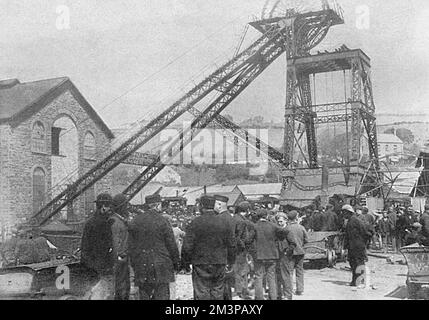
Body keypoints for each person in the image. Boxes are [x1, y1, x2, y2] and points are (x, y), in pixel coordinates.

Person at [182, 195, 236, 300]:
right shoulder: (224, 223)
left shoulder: (195, 223)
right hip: (219, 262)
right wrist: (231, 261)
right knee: (217, 292)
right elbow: (231, 244)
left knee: (201, 292)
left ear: (202, 206)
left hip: (200, 263)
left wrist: (186, 263)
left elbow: (187, 246)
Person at [128, 194, 180, 300]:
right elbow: (171, 245)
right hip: (161, 265)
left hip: (142, 264)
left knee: (144, 295)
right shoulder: (163, 221)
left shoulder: (135, 221)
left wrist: (134, 263)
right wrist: (176, 263)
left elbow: (131, 246)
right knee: (162, 295)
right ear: (157, 206)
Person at [249, 209, 296, 300]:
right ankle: (273, 297)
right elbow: (285, 232)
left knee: (258, 277)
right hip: (272, 256)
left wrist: (253, 252)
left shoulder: (254, 227)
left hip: (259, 256)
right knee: (271, 277)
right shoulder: (273, 226)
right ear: (266, 216)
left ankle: (259, 298)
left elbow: (248, 241)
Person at [81, 193, 115, 300]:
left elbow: (85, 246)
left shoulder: (90, 222)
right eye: (109, 206)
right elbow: (106, 247)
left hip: (90, 266)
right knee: (102, 295)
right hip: (101, 268)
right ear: (103, 207)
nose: (111, 209)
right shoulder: (104, 224)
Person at [343, 205, 373, 287]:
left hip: (357, 246)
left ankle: (359, 280)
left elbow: (365, 232)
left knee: (358, 263)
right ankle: (355, 280)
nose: (343, 214)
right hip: (352, 246)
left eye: (344, 212)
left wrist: (363, 243)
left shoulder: (355, 220)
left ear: (348, 212)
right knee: (353, 263)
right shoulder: (350, 220)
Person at [232, 201, 255, 300]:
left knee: (239, 270)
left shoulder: (235, 218)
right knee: (242, 270)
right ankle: (241, 290)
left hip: (235, 249)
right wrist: (244, 246)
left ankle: (240, 290)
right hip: (240, 250)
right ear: (247, 210)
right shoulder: (241, 221)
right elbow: (237, 237)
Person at [282, 210, 308, 300]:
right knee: (300, 271)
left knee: (289, 272)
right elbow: (306, 239)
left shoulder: (286, 228)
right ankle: (300, 289)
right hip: (300, 252)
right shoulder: (301, 227)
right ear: (296, 217)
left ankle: (289, 289)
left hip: (290, 253)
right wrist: (301, 244)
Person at [214, 194, 235, 300]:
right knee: (226, 285)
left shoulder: (220, 219)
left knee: (221, 286)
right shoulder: (229, 217)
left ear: (219, 205)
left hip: (222, 256)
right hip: (228, 256)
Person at [110, 193, 131, 300]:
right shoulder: (116, 222)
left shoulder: (119, 220)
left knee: (123, 285)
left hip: (123, 258)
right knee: (121, 286)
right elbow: (115, 242)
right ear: (121, 207)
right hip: (120, 259)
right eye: (125, 205)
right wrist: (119, 257)